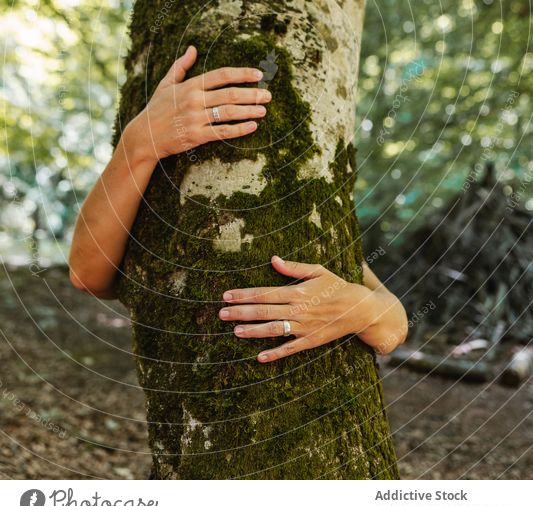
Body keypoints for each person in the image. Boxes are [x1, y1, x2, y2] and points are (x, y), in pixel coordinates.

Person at [69, 45, 408, 362]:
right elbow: (89, 273)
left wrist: (361, 308)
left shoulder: (315, 212)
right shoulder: (162, 175)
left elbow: (393, 327)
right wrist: (140, 143)